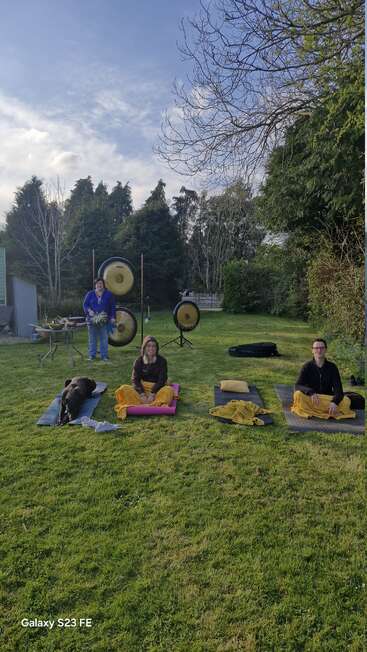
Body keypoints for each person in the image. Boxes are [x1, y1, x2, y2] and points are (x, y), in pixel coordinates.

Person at [292, 338, 355, 420]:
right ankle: (326, 411)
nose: (319, 350)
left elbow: (338, 390)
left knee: (346, 401)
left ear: (325, 350)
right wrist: (311, 392)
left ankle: (315, 411)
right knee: (297, 395)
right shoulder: (307, 366)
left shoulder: (332, 367)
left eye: (322, 348)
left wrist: (334, 402)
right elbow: (297, 385)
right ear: (312, 350)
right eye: (316, 348)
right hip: (312, 399)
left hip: (326, 399)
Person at [114, 336, 175, 419]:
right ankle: (151, 404)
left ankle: (145, 404)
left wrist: (152, 394)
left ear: (157, 348)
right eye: (148, 346)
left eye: (153, 346)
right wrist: (142, 394)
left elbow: (162, 379)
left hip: (157, 389)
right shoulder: (139, 361)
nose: (151, 348)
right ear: (144, 348)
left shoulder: (162, 361)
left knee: (169, 390)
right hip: (143, 388)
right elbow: (135, 379)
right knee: (123, 389)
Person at [83, 278, 116, 362]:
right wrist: (89, 311)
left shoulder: (109, 294)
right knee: (92, 339)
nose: (99, 285)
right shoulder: (90, 294)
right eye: (97, 284)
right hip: (92, 320)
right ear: (95, 285)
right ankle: (92, 355)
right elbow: (85, 304)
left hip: (104, 320)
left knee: (104, 338)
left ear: (103, 284)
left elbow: (112, 306)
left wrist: (113, 317)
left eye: (101, 283)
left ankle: (104, 356)